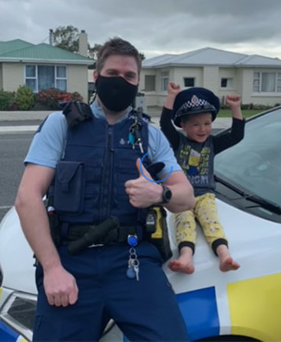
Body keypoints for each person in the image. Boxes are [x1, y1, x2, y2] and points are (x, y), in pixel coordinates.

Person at [14, 38, 195, 342]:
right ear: (96, 77)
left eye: (129, 76)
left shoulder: (150, 136)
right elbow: (27, 198)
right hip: (72, 259)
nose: (120, 81)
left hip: (131, 260)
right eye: (112, 74)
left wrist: (159, 194)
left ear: (137, 82)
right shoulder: (61, 126)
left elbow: (186, 196)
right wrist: (53, 268)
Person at [160, 82, 244, 274]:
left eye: (207, 124)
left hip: (205, 194)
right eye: (196, 124)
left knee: (211, 221)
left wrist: (235, 108)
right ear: (183, 125)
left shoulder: (212, 143)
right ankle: (186, 258)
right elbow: (165, 123)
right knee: (184, 222)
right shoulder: (177, 141)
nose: (203, 129)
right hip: (183, 195)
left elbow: (236, 136)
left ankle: (224, 256)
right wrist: (172, 95)